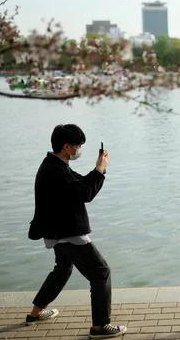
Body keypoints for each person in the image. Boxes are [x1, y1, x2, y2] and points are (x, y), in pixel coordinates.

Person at [26, 124, 127, 339]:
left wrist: (99, 168)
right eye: (78, 145)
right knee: (101, 273)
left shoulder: (56, 164)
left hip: (57, 230)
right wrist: (99, 170)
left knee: (63, 268)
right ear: (67, 146)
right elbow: (85, 193)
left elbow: (81, 183)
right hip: (67, 232)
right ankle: (100, 327)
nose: (80, 149)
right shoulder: (55, 170)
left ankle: (36, 313)